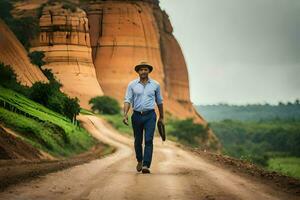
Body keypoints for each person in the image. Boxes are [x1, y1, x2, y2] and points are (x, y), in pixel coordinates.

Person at [123, 61, 164, 174]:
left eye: (145, 69)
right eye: (141, 70)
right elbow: (127, 100)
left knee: (148, 140)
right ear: (138, 71)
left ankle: (146, 165)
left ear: (149, 71)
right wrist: (125, 114)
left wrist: (161, 117)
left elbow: (159, 101)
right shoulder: (132, 85)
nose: (143, 71)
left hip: (150, 115)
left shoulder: (155, 85)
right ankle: (140, 160)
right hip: (136, 115)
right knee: (138, 141)